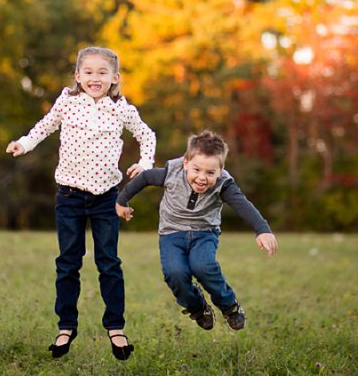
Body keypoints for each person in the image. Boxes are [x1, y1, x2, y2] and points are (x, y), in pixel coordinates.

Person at [6, 46, 156, 360]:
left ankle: (115, 327)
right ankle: (66, 326)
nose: (95, 78)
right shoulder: (68, 102)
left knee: (109, 263)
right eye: (88, 72)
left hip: (106, 198)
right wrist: (24, 143)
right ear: (78, 75)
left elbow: (146, 134)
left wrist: (145, 162)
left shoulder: (121, 108)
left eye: (102, 73)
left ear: (115, 78)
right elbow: (45, 126)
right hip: (70, 196)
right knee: (68, 262)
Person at [115, 130, 277, 331]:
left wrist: (262, 229)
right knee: (175, 273)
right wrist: (122, 201)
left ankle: (230, 306)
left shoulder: (224, 185)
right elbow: (145, 177)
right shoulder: (171, 172)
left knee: (203, 266)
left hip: (204, 233)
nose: (202, 178)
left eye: (210, 173)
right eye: (197, 170)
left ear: (220, 170)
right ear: (185, 163)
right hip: (171, 234)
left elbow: (242, 204)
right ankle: (198, 308)